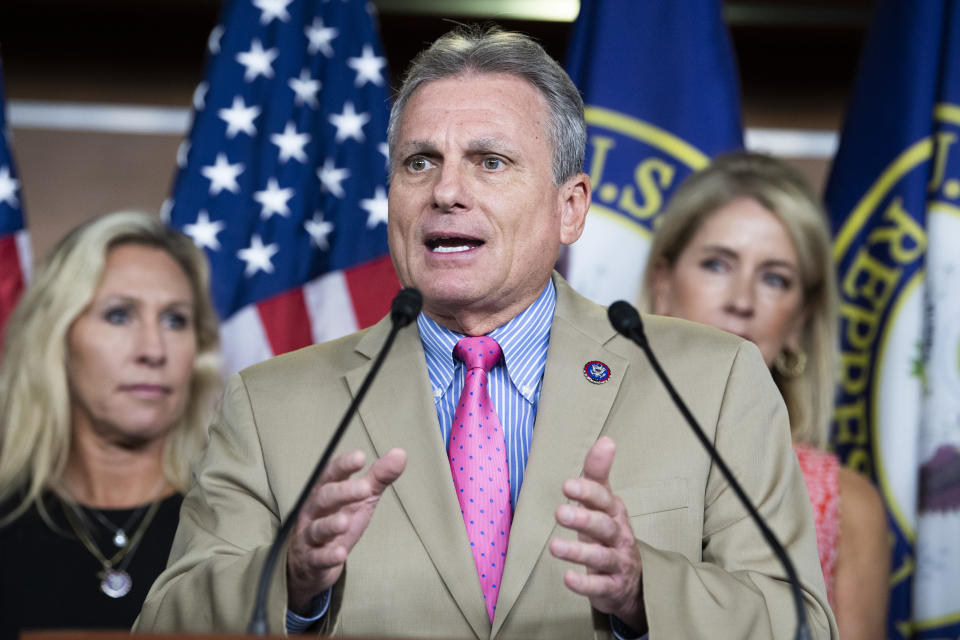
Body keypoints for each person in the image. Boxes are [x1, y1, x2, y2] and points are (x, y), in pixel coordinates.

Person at [136, 27, 836, 638]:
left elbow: (798, 621)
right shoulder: (269, 405)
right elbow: (163, 625)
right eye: (419, 162)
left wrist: (641, 590)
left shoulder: (711, 382)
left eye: (489, 161)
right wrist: (287, 581)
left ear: (570, 208)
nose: (446, 191)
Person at [642, 151, 889, 639]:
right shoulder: (579, 456)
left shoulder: (848, 504)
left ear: (799, 319)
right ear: (663, 284)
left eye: (774, 278)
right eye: (717, 264)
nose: (742, 300)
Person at [0, 211, 221, 638]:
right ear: (57, 337)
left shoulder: (239, 527)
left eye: (175, 319)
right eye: (120, 315)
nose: (154, 350)